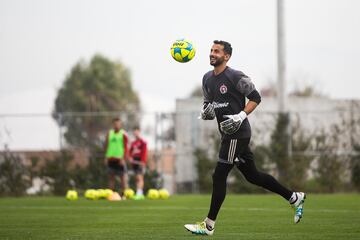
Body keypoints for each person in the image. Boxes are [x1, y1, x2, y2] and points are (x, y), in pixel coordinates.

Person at [184, 40, 306, 236]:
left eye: (217, 51)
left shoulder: (236, 77)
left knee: (219, 175)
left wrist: (241, 115)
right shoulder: (207, 78)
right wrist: (206, 112)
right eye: (211, 50)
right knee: (253, 176)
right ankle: (294, 197)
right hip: (227, 133)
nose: (212, 53)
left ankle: (208, 225)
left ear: (227, 56)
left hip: (237, 134)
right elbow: (208, 105)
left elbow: (256, 97)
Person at [104, 117, 129, 196]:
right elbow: (106, 145)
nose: (117, 125)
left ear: (121, 125)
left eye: (118, 124)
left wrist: (123, 158)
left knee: (123, 179)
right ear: (113, 124)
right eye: (115, 124)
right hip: (111, 159)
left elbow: (126, 147)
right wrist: (106, 157)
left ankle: (124, 195)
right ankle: (110, 195)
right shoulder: (109, 133)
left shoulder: (123, 134)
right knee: (111, 178)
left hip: (120, 159)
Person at [129, 126, 147, 200]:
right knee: (137, 178)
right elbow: (130, 152)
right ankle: (139, 192)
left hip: (140, 162)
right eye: (134, 131)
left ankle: (139, 193)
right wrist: (130, 158)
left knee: (140, 177)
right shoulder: (133, 143)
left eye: (137, 131)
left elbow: (144, 152)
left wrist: (143, 161)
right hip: (134, 162)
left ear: (139, 132)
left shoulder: (143, 142)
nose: (135, 133)